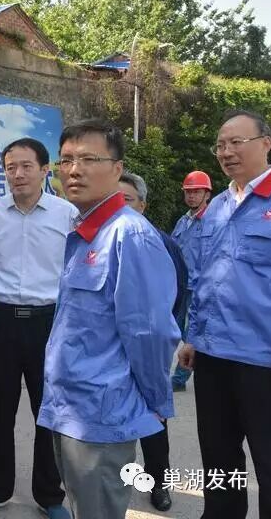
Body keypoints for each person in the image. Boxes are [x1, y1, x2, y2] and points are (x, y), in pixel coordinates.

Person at [38, 119, 180, 519]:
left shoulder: (129, 235)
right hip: (71, 407)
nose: (74, 170)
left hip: (103, 413)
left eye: (88, 159)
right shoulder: (86, 232)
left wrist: (155, 400)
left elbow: (150, 333)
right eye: (66, 160)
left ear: (117, 169)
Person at [179, 109, 271, 519]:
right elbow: (205, 277)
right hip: (213, 355)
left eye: (237, 142)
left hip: (265, 361)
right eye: (220, 145)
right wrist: (193, 336)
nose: (226, 152)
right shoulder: (218, 206)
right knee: (220, 462)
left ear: (266, 143)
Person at [0, 138, 75, 519]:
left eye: (26, 166)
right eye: (10, 167)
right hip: (1, 320)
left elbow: (73, 268)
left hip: (49, 322)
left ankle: (49, 495)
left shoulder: (66, 214)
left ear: (45, 170)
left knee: (47, 410)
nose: (17, 174)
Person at [119, 171, 189, 513]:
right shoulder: (96, 239)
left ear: (143, 205)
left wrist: (163, 336)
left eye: (127, 200)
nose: (120, 207)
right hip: (111, 348)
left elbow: (180, 292)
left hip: (151, 346)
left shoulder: (161, 242)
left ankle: (159, 481)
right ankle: (115, 479)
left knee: (153, 414)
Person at [169, 170, 211, 391]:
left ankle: (179, 380)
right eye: (188, 192)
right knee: (170, 329)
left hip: (198, 288)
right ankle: (161, 373)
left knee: (191, 334)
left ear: (207, 194)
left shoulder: (212, 221)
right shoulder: (183, 221)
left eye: (197, 192)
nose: (192, 196)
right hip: (178, 286)